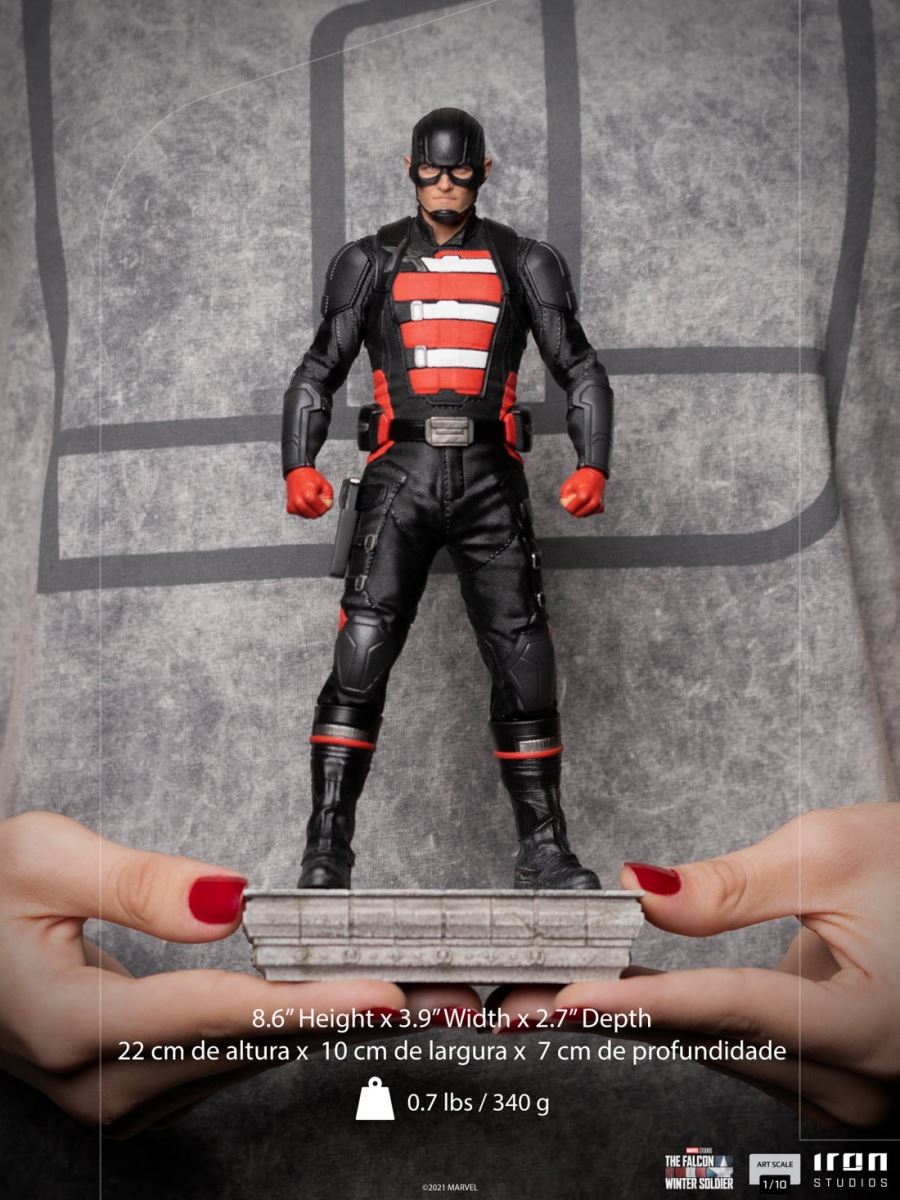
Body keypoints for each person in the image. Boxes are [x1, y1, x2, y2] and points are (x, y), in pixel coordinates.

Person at [282, 108, 614, 890]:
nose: (443, 185)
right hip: (398, 475)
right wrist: (297, 462)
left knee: (526, 658)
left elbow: (580, 367)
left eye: (459, 172)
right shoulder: (368, 260)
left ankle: (544, 849)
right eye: (430, 171)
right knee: (362, 649)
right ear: (409, 169)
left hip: (491, 478)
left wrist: (593, 462)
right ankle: (326, 847)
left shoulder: (524, 261)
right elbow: (317, 369)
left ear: (483, 172)